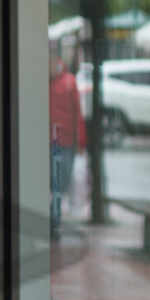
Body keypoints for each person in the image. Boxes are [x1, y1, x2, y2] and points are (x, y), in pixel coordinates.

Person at [49, 53, 85, 220]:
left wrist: (80, 142)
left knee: (57, 184)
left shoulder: (68, 82)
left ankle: (54, 221)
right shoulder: (69, 81)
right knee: (57, 185)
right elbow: (77, 113)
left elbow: (77, 113)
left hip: (60, 141)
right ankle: (54, 221)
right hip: (59, 141)